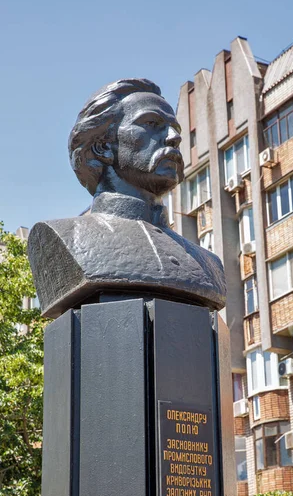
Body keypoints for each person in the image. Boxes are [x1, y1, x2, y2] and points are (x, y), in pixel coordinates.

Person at [28, 79, 226, 318]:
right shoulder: (64, 237)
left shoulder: (209, 264)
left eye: (175, 128)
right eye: (152, 123)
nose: (174, 137)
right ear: (102, 147)